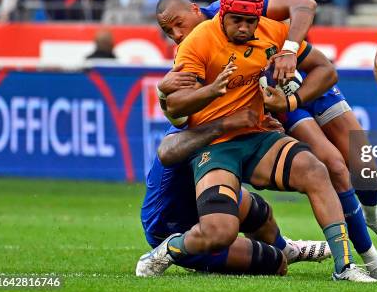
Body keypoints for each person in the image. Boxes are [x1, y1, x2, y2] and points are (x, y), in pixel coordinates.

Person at [155, 0, 377, 281]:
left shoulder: (239, 6)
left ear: (194, 9)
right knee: (332, 167)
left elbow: (305, 5)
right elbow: (179, 112)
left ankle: (373, 215)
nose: (176, 34)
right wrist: (165, 93)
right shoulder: (194, 45)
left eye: (177, 24)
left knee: (364, 165)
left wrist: (289, 49)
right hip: (272, 103)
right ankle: (368, 260)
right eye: (168, 31)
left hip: (299, 80)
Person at [138, 106, 330, 276]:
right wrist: (228, 124)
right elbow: (166, 151)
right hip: (169, 224)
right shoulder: (198, 120)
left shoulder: (232, 112)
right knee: (274, 262)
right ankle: (177, 249)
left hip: (201, 200)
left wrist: (262, 129)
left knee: (260, 211)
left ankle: (288, 249)